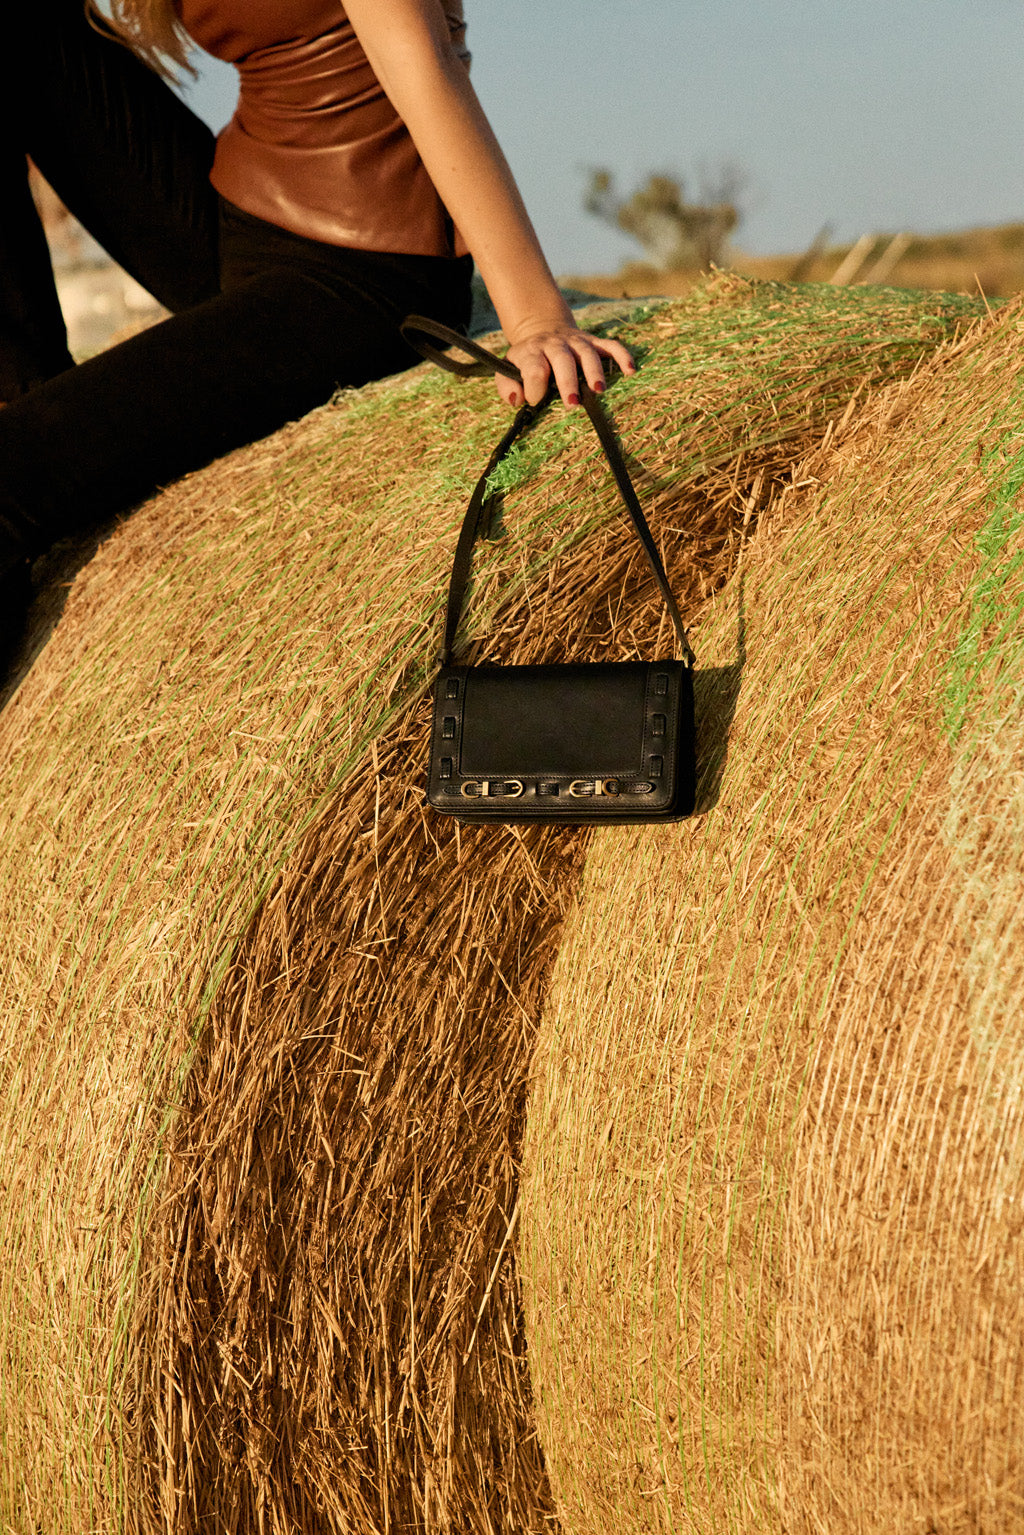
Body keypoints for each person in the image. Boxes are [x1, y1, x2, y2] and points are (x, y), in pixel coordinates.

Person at [0, 0, 634, 659]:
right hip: (240, 219)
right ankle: (27, 396)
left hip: (364, 274)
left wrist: (535, 318)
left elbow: (425, 61)